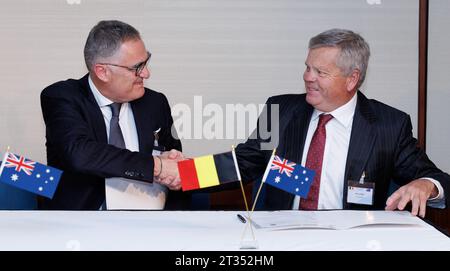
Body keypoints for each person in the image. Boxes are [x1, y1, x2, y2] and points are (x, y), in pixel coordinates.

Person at [235, 28, 449, 217]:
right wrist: (199, 174)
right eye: (308, 67)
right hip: (283, 234)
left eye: (320, 72)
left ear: (352, 79)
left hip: (353, 240)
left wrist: (427, 185)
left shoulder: (389, 125)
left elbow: (436, 178)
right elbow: (241, 163)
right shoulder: (280, 111)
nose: (308, 77)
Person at [40, 20, 187, 210]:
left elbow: (173, 166)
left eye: (146, 62)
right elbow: (80, 153)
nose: (146, 73)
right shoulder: (62, 97)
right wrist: (156, 165)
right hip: (82, 225)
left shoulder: (155, 103)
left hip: (151, 224)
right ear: (102, 72)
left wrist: (172, 165)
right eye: (137, 67)